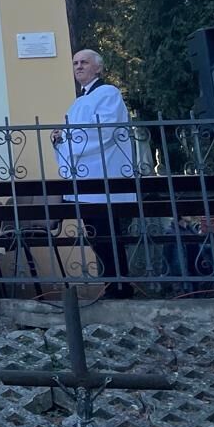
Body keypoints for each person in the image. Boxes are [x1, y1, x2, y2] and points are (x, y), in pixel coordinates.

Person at [53, 48, 136, 294]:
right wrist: (60, 138)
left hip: (103, 174)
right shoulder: (79, 100)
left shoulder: (108, 93)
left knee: (107, 234)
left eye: (84, 62)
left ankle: (120, 286)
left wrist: (67, 140)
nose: (78, 66)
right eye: (75, 63)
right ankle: (112, 284)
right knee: (95, 235)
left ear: (98, 67)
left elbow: (102, 131)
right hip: (86, 178)